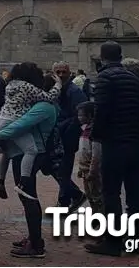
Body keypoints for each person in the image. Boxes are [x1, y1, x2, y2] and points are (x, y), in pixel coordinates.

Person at [86, 41, 139, 257]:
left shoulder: (105, 77)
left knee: (111, 192)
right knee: (135, 193)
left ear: (102, 57)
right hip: (136, 142)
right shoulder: (133, 78)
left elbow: (101, 110)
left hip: (115, 142)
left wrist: (95, 135)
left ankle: (113, 242)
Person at [0, 72, 58, 260]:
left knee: (29, 198)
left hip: (30, 154)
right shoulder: (40, 104)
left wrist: (0, 134)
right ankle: (33, 237)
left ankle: (36, 245)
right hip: (22, 154)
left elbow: (22, 124)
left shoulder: (44, 106)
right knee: (27, 198)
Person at [0, 64, 60, 200]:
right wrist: (58, 85)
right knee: (31, 150)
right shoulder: (28, 86)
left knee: (6, 153)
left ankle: (0, 180)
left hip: (2, 119)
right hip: (14, 121)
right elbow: (48, 97)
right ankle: (23, 182)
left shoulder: (10, 85)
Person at [52, 61, 87, 211]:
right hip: (58, 135)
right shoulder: (55, 89)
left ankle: (67, 199)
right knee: (58, 169)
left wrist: (62, 126)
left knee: (63, 169)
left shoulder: (74, 91)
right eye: (58, 72)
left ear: (69, 72)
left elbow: (80, 114)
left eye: (63, 72)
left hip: (68, 136)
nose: (61, 75)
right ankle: (68, 197)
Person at [75, 102, 103, 216]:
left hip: (93, 171)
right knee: (90, 195)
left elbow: (96, 154)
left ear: (90, 115)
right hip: (85, 170)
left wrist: (93, 170)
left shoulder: (94, 131)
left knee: (97, 196)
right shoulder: (84, 130)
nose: (79, 117)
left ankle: (101, 218)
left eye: (81, 115)